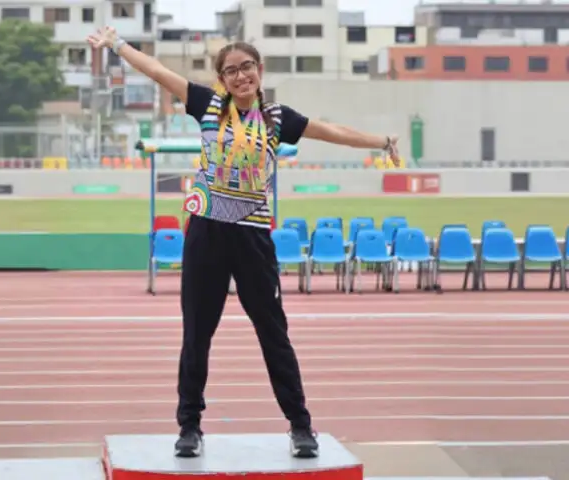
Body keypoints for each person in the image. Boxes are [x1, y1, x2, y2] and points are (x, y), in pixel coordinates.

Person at [87, 27, 400, 460]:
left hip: (253, 237)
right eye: (231, 71)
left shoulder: (277, 117)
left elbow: (331, 130)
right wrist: (117, 45)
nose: (240, 76)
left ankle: (300, 425)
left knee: (274, 333)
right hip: (206, 233)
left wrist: (382, 142)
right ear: (222, 78)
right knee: (197, 334)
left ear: (259, 70)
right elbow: (158, 70)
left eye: (246, 67)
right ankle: (190, 427)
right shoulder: (207, 104)